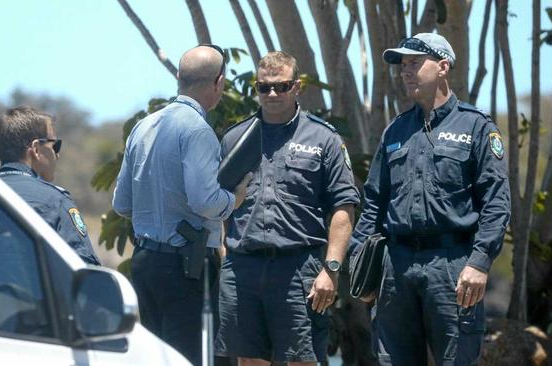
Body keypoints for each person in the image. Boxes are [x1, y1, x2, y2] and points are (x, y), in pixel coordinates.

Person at [349, 33, 511, 365]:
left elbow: (496, 201)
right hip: (396, 268)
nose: (405, 71)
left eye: (414, 63)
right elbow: (375, 202)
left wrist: (479, 263)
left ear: (443, 66)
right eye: (402, 65)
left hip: (453, 266)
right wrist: (359, 262)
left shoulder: (476, 127)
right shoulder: (394, 131)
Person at [216, 51, 361, 365]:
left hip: (299, 268)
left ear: (298, 87)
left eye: (281, 86)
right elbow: (220, 202)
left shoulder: (324, 138)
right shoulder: (234, 139)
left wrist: (331, 269)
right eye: (264, 87)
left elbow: (343, 207)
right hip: (243, 268)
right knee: (248, 361)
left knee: (301, 360)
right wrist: (224, 254)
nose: (272, 94)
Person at [112, 44, 250, 365]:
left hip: (145, 262)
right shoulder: (198, 130)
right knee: (189, 358)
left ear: (179, 77)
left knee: (154, 358)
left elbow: (121, 203)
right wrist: (236, 198)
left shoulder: (142, 126)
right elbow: (205, 202)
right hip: (184, 269)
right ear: (219, 83)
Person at [0, 106, 100, 265]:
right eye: (55, 146)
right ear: (36, 149)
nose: (58, 154)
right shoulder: (55, 201)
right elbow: (84, 270)